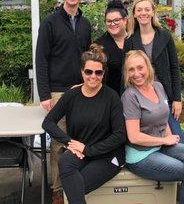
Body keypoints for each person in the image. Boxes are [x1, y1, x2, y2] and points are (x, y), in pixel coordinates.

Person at [121, 50, 184, 204]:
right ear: (127, 74)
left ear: (148, 67)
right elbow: (134, 137)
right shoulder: (130, 96)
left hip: (161, 144)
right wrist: (164, 141)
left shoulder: (158, 86)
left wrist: (169, 137)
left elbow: (164, 117)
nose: (136, 74)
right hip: (141, 155)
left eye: (140, 67)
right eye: (131, 70)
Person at [42, 44, 126, 204]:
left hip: (107, 155)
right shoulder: (71, 95)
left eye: (98, 72)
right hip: (80, 151)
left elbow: (120, 135)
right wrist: (70, 143)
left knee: (75, 184)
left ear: (103, 74)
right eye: (88, 71)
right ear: (82, 72)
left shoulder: (111, 97)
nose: (93, 76)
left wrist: (88, 150)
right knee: (65, 162)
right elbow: (48, 123)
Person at [36, 0, 92, 204]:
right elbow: (41, 59)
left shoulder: (86, 24)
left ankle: (75, 187)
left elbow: (88, 60)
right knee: (60, 143)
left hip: (82, 89)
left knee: (80, 138)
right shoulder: (50, 23)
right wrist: (44, 94)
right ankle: (58, 191)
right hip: (58, 92)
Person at [124, 0, 184, 142]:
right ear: (134, 14)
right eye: (139, 10)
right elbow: (126, 72)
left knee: (176, 139)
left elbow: (174, 67)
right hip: (141, 98)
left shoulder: (165, 36)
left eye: (147, 9)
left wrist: (177, 98)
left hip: (165, 96)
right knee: (152, 141)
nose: (143, 13)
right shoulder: (130, 41)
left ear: (152, 12)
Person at [96, 0, 128, 95]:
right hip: (110, 97)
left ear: (125, 20)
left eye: (116, 20)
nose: (112, 24)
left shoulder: (135, 40)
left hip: (136, 97)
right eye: (109, 21)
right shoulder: (99, 45)